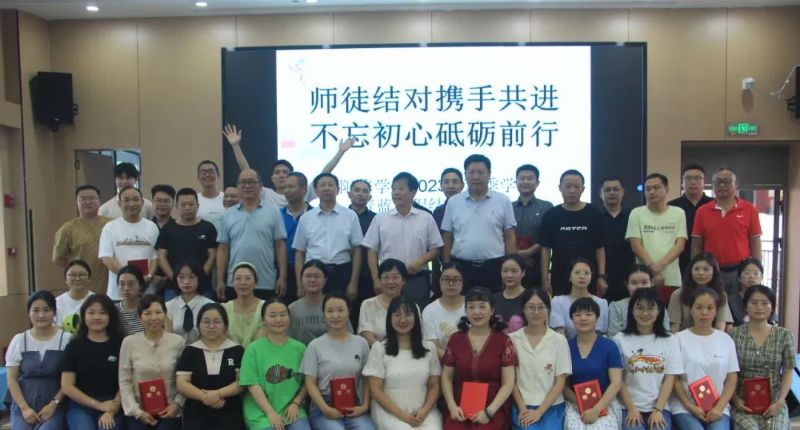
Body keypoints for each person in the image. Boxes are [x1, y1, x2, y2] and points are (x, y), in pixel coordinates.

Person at [363, 172, 443, 310]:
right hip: (389, 281)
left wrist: (421, 260)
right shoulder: (380, 218)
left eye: (401, 189)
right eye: (394, 189)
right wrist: (376, 279)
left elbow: (436, 248)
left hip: (417, 279)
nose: (396, 193)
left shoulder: (426, 218)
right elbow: (371, 250)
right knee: (389, 315)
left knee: (417, 314)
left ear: (413, 192)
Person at [441, 287, 517, 430]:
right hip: (460, 407)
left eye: (482, 307)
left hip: (493, 407)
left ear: (492, 310)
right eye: (471, 307)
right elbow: (446, 377)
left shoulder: (503, 341)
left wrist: (488, 412)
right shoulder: (456, 339)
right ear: (466, 310)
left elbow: (508, 383)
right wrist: (452, 407)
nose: (476, 312)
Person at [363, 296, 443, 429]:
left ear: (416, 318)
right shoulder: (379, 349)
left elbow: (434, 386)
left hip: (423, 412)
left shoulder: (429, 348)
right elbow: (375, 390)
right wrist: (402, 415)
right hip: (389, 412)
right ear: (389, 319)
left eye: (408, 314)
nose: (403, 320)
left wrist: (424, 411)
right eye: (397, 315)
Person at [442, 154, 517, 293]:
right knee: (462, 304)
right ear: (465, 175)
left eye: (480, 172)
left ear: (489, 174)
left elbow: (510, 236)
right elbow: (447, 236)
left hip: (494, 267)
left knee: (494, 303)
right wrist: (447, 266)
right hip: (461, 266)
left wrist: (510, 268)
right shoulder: (453, 202)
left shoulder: (503, 200)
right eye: (471, 172)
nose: (476, 177)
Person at [300, 292, 375, 430]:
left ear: (349, 312)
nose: (335, 315)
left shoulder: (361, 343)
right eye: (330, 311)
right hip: (323, 405)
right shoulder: (315, 345)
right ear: (324, 314)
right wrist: (325, 409)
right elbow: (310, 383)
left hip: (353, 403)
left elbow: (367, 378)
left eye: (340, 310)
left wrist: (364, 406)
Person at [614, 287, 683, 430]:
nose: (645, 313)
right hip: (628, 406)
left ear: (659, 311)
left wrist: (658, 410)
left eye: (651, 308)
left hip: (659, 407)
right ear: (632, 310)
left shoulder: (670, 340)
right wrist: (631, 408)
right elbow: (618, 380)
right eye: (640, 308)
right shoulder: (620, 339)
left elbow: (670, 379)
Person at [670, 288, 738, 430]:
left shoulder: (726, 340)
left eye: (710, 308)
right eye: (699, 307)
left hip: (717, 407)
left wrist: (719, 407)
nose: (704, 312)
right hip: (684, 407)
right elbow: (674, 379)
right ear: (691, 309)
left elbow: (731, 378)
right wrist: (690, 406)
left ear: (716, 310)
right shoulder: (678, 339)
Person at [729, 285, 795, 430]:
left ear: (772, 307)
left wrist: (780, 401)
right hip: (743, 403)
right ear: (745, 306)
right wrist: (735, 399)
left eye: (765, 303)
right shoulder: (733, 334)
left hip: (774, 402)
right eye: (754, 302)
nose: (759, 307)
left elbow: (788, 371)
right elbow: (728, 372)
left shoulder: (784, 335)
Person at [217, 169, 288, 300]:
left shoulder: (273, 211)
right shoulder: (228, 214)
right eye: (243, 182)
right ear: (238, 186)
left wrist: (282, 277)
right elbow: (223, 249)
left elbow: (280, 246)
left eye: (251, 182)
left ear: (260, 186)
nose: (247, 185)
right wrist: (220, 279)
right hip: (235, 281)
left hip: (266, 281)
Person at [5, 291, 72, 430]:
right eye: (35, 310)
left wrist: (54, 404)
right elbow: (12, 379)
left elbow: (70, 379)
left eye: (46, 310)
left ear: (54, 312)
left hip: (56, 407)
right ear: (29, 313)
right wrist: (24, 408)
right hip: (23, 407)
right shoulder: (19, 340)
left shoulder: (66, 339)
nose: (41, 315)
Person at [240, 298, 309, 430]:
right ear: (263, 320)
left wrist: (296, 403)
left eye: (283, 315)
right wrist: (270, 412)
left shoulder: (300, 348)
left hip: (292, 409)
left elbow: (308, 381)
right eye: (272, 315)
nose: (278, 320)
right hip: (261, 413)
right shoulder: (253, 349)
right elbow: (252, 384)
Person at [118, 294, 185, 430]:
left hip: (170, 411)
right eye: (147, 313)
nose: (154, 318)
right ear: (140, 317)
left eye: (158, 312)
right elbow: (124, 382)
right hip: (138, 412)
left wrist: (177, 404)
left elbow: (185, 379)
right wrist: (137, 411)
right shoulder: (129, 342)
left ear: (165, 314)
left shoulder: (178, 342)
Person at [691, 168, 762, 295]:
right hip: (712, 271)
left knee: (740, 305)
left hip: (741, 271)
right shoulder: (702, 211)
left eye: (727, 181)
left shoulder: (750, 209)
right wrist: (697, 270)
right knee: (713, 304)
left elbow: (755, 242)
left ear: (736, 184)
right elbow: (696, 244)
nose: (722, 185)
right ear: (713, 185)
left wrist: (757, 270)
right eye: (718, 182)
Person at [293, 173, 364, 300]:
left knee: (338, 310)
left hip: (341, 272)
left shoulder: (350, 216)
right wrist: (299, 284)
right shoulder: (306, 218)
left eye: (330, 185)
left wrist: (353, 283)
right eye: (323, 185)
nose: (327, 188)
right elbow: (299, 252)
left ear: (338, 189)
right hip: (313, 273)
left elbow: (357, 251)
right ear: (316, 191)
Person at [176, 303, 246, 430]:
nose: (211, 326)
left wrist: (218, 394)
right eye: (206, 322)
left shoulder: (237, 350)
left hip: (229, 409)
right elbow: (182, 383)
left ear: (225, 325)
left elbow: (241, 382)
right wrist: (205, 397)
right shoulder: (190, 351)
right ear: (199, 325)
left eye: (217, 322)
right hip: (196, 410)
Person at [510, 288, 571, 430]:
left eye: (541, 307)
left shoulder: (559, 340)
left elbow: (560, 382)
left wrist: (539, 412)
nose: (536, 312)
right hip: (521, 406)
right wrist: (523, 409)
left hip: (552, 408)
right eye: (531, 307)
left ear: (548, 309)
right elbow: (510, 380)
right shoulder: (512, 339)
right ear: (523, 309)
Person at [539, 169, 606, 297]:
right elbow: (546, 249)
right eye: (568, 186)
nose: (572, 190)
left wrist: (602, 276)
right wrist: (544, 279)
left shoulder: (594, 213)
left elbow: (600, 247)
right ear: (560, 188)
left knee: (587, 308)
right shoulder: (551, 214)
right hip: (560, 276)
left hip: (587, 275)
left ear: (583, 189)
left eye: (576, 187)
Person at [61, 294, 125, 430]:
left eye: (102, 313)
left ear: (110, 316)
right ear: (83, 316)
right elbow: (67, 386)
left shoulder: (121, 344)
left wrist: (110, 411)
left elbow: (126, 381)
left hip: (112, 403)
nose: (96, 317)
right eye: (91, 313)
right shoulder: (73, 346)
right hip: (80, 406)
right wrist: (98, 405)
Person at [626, 173, 687, 306]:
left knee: (671, 315)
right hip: (644, 279)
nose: (652, 192)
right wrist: (653, 269)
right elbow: (636, 246)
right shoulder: (636, 213)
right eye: (648, 189)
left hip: (671, 278)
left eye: (656, 188)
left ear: (666, 189)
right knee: (644, 312)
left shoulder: (678, 213)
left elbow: (680, 245)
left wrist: (658, 267)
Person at [562, 297, 623, 429]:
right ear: (572, 319)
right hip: (575, 403)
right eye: (578, 315)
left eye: (589, 314)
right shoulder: (565, 347)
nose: (583, 318)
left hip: (605, 402)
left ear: (597, 318)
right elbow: (563, 386)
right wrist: (582, 404)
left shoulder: (609, 346)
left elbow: (616, 383)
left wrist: (596, 409)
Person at [98, 186, 160, 301]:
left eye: (136, 199)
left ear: (142, 202)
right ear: (119, 203)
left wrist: (149, 277)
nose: (131, 204)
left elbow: (155, 258)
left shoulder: (152, 227)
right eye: (126, 200)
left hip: (146, 292)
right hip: (118, 293)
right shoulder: (110, 227)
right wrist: (130, 279)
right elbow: (106, 258)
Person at [157, 188, 218, 300]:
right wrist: (176, 279)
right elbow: (161, 257)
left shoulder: (208, 227)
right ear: (176, 206)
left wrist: (198, 278)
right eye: (183, 204)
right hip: (173, 289)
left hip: (203, 288)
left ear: (198, 206)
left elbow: (213, 256)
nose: (187, 208)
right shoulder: (168, 229)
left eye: (191, 204)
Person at [53, 185, 111, 294]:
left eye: (92, 198)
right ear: (77, 202)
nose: (88, 202)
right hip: (82, 283)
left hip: (110, 282)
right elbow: (58, 258)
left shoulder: (111, 224)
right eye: (83, 199)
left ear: (99, 201)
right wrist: (76, 270)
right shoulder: (68, 228)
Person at [289, 260, 354, 345]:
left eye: (317, 276)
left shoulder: (335, 304)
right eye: (308, 276)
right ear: (301, 279)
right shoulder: (292, 308)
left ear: (325, 280)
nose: (312, 280)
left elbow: (348, 335)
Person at [668, 253, 733, 332]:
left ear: (714, 272)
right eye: (696, 269)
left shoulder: (721, 295)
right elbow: (674, 327)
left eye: (706, 269)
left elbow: (721, 325)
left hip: (712, 337)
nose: (701, 273)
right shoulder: (678, 295)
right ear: (691, 271)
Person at [513, 164, 553, 289]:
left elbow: (548, 235)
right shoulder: (508, 206)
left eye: (530, 178)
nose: (525, 181)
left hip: (538, 262)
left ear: (537, 182)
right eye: (522, 178)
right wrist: (517, 253)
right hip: (512, 262)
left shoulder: (547, 206)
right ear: (516, 182)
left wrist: (529, 252)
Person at [668, 164, 713, 274]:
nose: (693, 182)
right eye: (688, 178)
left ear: (704, 182)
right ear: (682, 182)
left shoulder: (713, 205)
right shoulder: (672, 207)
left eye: (697, 178)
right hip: (678, 262)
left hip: (709, 261)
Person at [607, 264, 670, 339]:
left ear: (652, 282)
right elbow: (612, 336)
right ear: (626, 284)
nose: (639, 287)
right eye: (634, 283)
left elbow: (665, 332)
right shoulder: (616, 307)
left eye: (644, 282)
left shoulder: (658, 305)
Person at [345, 178, 377, 329]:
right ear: (349, 194)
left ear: (370, 197)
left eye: (365, 191)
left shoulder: (376, 219)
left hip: (368, 276)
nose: (360, 194)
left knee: (366, 318)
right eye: (357, 190)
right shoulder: (341, 216)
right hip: (344, 273)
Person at [550, 258, 609, 339]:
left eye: (586, 273)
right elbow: (559, 334)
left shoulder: (600, 303)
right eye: (577, 272)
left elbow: (598, 333)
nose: (582, 276)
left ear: (591, 277)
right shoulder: (558, 302)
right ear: (569, 277)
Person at [358, 259, 410, 347]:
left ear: (403, 280)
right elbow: (366, 335)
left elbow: (416, 334)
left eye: (395, 277)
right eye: (386, 277)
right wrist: (383, 351)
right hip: (377, 351)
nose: (390, 282)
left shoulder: (412, 306)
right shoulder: (368, 304)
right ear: (379, 280)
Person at [599, 176, 635, 302]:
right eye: (607, 190)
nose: (611, 193)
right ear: (601, 193)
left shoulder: (633, 215)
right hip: (602, 278)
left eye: (615, 189)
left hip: (628, 276)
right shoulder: (594, 216)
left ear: (622, 192)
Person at [431, 168, 465, 300]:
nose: (450, 186)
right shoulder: (438, 211)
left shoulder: (469, 208)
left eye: (455, 182)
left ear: (462, 185)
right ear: (440, 186)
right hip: (441, 264)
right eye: (446, 182)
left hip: (463, 263)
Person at [281, 172, 314, 304]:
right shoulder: (277, 214)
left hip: (309, 272)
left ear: (303, 189)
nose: (287, 191)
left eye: (291, 187)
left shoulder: (314, 215)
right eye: (285, 187)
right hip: (282, 271)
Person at [421, 262, 466, 358]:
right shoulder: (429, 311)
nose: (451, 284)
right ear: (439, 281)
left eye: (456, 280)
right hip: (442, 362)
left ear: (463, 282)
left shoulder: (472, 306)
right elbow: (433, 346)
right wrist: (453, 362)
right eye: (446, 279)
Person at [165, 259, 214, 343]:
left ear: (199, 278)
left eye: (191, 277)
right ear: (176, 279)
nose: (186, 282)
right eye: (181, 277)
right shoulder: (168, 306)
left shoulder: (210, 306)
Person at [221, 263, 266, 348]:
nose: (243, 283)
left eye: (248, 278)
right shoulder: (224, 308)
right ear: (232, 282)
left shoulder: (265, 307)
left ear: (255, 282)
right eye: (238, 278)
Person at [55, 260, 95, 333]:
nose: (77, 278)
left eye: (82, 274)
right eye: (72, 275)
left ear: (89, 278)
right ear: (65, 279)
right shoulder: (57, 302)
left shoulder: (97, 300)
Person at [492, 254, 527, 334]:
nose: (509, 275)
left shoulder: (530, 298)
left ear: (523, 272)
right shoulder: (493, 299)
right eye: (505, 271)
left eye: (514, 271)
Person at [728, 257, 764, 326]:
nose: (751, 277)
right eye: (747, 273)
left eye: (756, 273)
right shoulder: (730, 301)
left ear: (761, 278)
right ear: (739, 278)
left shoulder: (766, 300)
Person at [115, 265, 146, 336]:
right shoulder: (114, 310)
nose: (126, 288)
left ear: (140, 285)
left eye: (131, 284)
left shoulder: (149, 307)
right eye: (122, 284)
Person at [195, 160, 226, 227]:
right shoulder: (194, 201)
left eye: (211, 172)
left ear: (218, 175)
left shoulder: (227, 198)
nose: (207, 175)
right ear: (198, 177)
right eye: (203, 173)